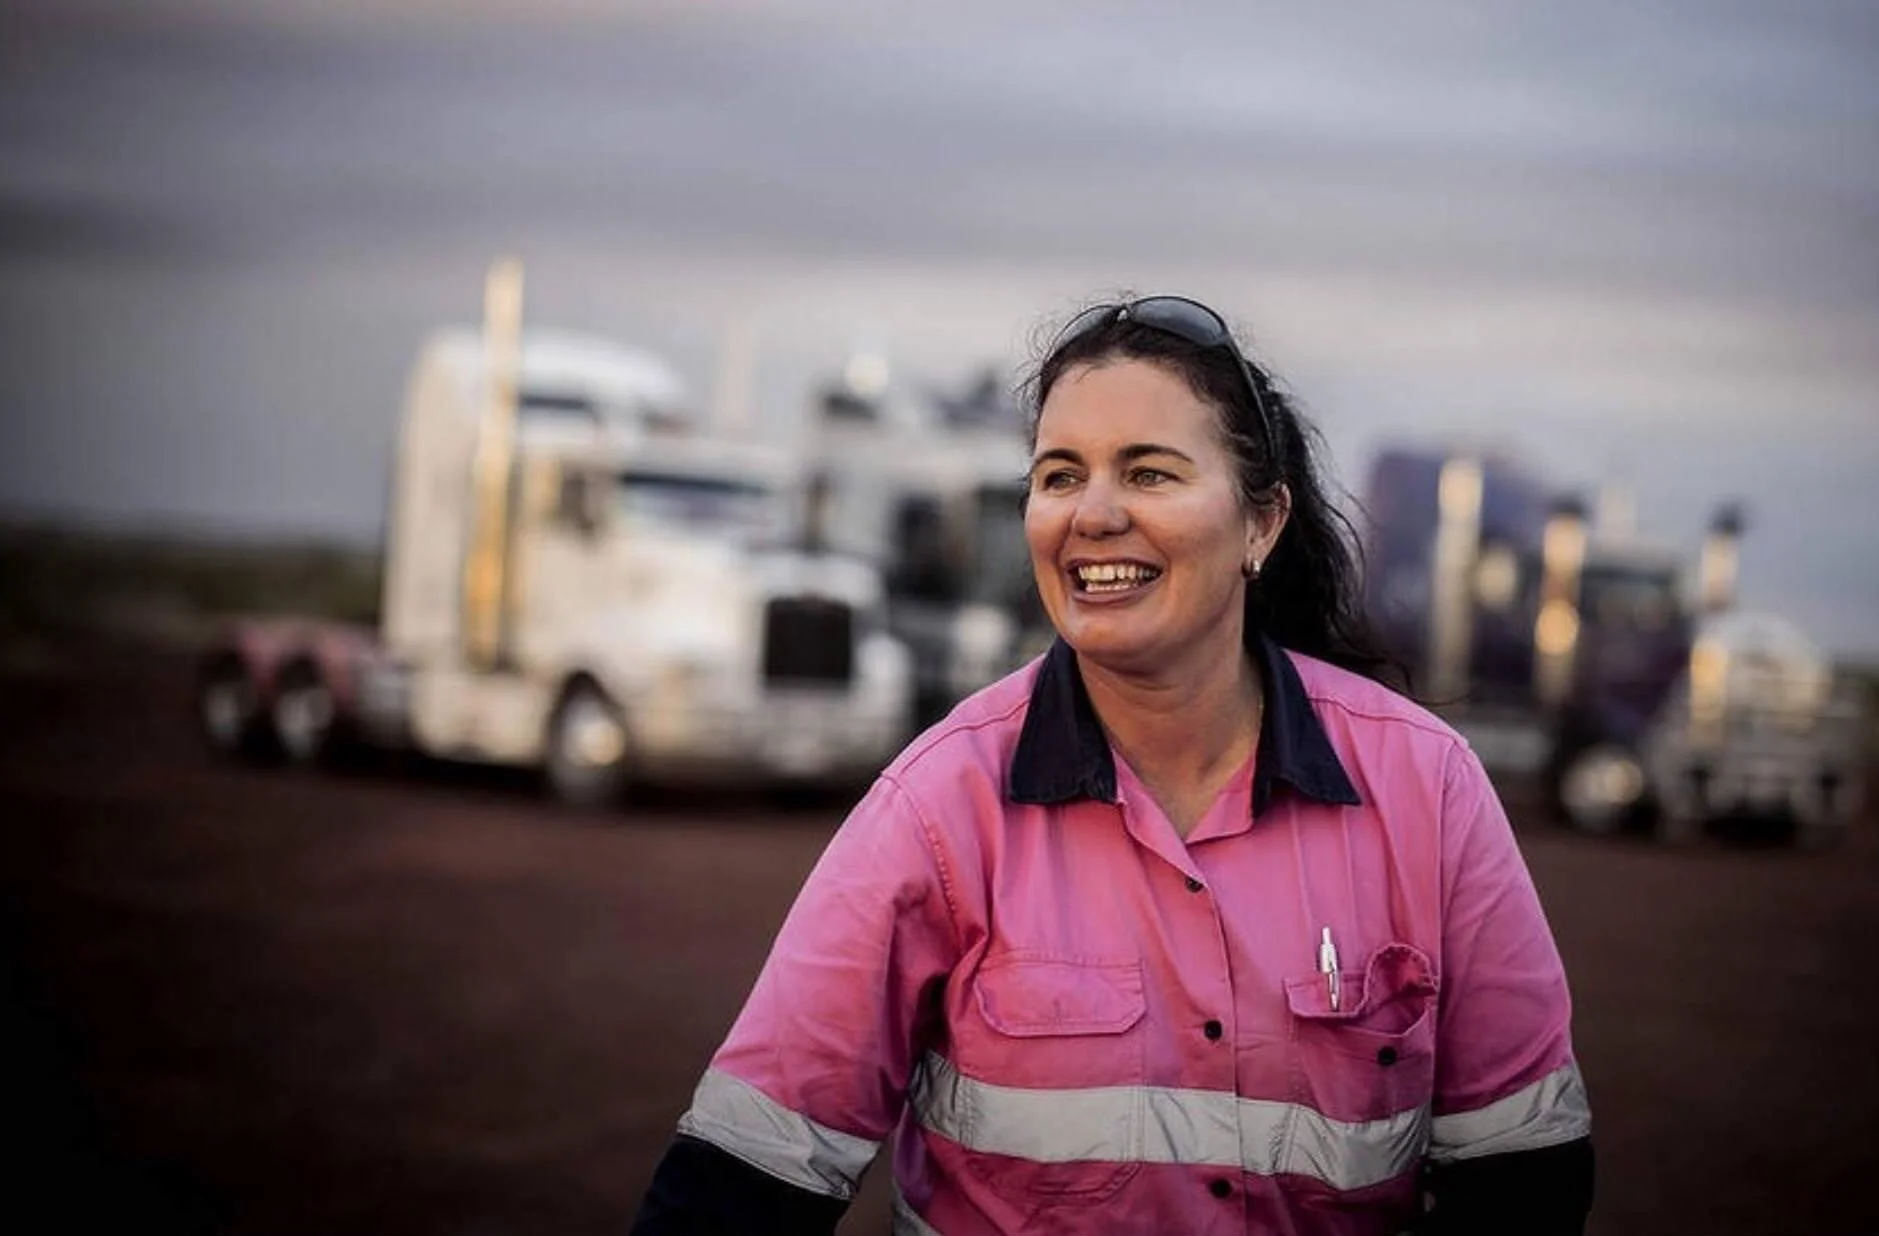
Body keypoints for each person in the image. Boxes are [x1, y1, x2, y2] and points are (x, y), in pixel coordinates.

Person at [631, 295, 1594, 1235]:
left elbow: (1523, 1175)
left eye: (1148, 473)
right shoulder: (939, 806)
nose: (1091, 514)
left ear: (1261, 524)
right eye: (1058, 475)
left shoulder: (1424, 787)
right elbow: (744, 1174)